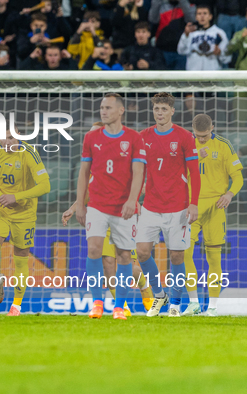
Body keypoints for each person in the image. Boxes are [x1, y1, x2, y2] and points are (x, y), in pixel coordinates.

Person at [63, 122, 153, 315]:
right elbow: (88, 190)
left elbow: (140, 181)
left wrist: (135, 201)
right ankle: (122, 307)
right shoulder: (94, 163)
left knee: (127, 262)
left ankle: (145, 287)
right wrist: (74, 208)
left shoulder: (124, 156)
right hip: (100, 214)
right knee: (107, 265)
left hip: (123, 215)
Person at [76, 93, 146, 320]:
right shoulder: (91, 138)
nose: (103, 111)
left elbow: (138, 173)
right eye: (101, 108)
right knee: (95, 249)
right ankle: (96, 302)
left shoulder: (134, 138)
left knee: (124, 256)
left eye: (107, 108)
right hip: (97, 204)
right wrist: (79, 204)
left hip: (124, 208)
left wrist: (132, 200)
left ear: (120, 111)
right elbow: (84, 173)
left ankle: (119, 306)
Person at [0, 128, 50, 317]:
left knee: (21, 257)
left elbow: (45, 185)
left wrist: (16, 197)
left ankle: (16, 305)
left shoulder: (30, 153)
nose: (7, 142)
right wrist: (0, 196)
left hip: (24, 213)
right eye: (3, 138)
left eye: (11, 138)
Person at [137, 92, 201, 317]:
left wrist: (194, 204)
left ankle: (175, 302)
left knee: (176, 256)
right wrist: (134, 198)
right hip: (151, 206)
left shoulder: (184, 137)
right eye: (156, 109)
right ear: (152, 110)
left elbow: (194, 172)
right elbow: (137, 170)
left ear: (172, 111)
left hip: (178, 207)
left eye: (164, 109)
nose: (160, 113)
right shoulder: (143, 136)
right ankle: (159, 294)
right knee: (142, 252)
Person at [182, 114, 243, 317]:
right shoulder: (186, 145)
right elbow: (177, 172)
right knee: (184, 253)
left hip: (216, 206)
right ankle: (193, 303)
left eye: (205, 135)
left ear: (212, 128)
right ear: (192, 130)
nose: (201, 139)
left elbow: (238, 178)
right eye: (198, 136)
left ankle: (213, 307)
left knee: (214, 257)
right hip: (191, 206)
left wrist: (229, 193)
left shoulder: (224, 146)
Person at [177, 5, 230, 71]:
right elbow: (181, 51)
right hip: (193, 75)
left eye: (205, 13)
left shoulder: (219, 33)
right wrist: (186, 35)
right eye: (199, 14)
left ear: (210, 16)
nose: (202, 16)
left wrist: (220, 52)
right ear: (196, 17)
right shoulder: (190, 32)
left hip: (212, 75)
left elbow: (227, 58)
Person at [149, 0, 194, 70]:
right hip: (162, 50)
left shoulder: (187, 5)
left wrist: (182, 2)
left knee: (180, 80)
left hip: (181, 52)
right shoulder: (161, 5)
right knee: (162, 79)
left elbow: (191, 19)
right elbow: (153, 19)